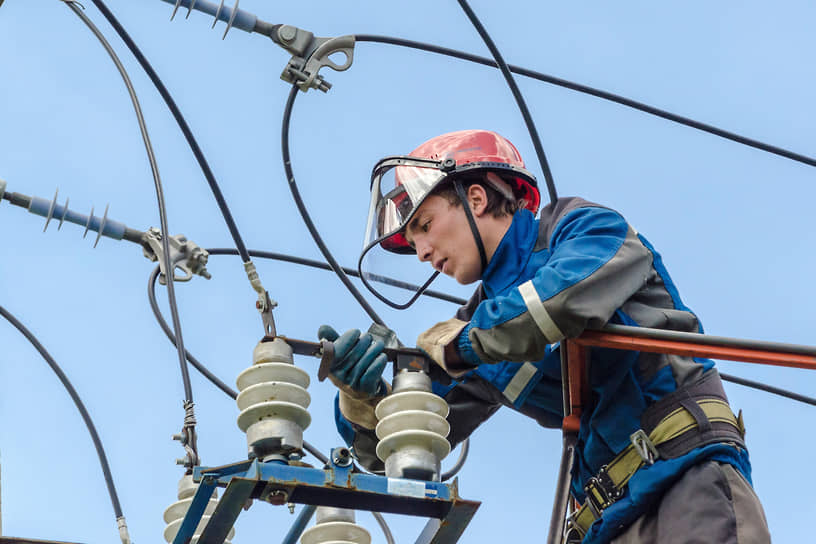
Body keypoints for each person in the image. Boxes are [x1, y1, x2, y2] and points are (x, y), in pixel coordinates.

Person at [319, 129, 770, 543]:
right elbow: (400, 448)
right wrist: (361, 398)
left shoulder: (582, 230)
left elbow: (562, 301)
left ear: (476, 198)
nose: (420, 252)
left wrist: (463, 345)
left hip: (686, 485)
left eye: (424, 225)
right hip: (608, 522)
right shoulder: (476, 330)